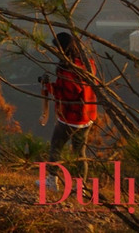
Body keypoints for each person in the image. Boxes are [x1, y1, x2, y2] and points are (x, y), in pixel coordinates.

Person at [42, 31, 98, 176]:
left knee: (56, 147)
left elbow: (68, 95)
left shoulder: (67, 70)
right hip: (88, 116)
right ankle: (82, 188)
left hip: (71, 118)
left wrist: (48, 87)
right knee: (80, 153)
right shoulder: (88, 63)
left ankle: (51, 180)